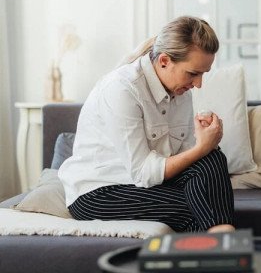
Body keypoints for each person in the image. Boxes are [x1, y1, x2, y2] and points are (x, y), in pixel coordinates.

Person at [58, 16, 235, 233]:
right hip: (98, 191)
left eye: (203, 74)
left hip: (147, 184)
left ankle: (224, 244)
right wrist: (201, 148)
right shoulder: (122, 89)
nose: (198, 84)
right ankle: (225, 249)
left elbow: (187, 159)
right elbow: (143, 172)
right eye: (193, 73)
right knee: (195, 207)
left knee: (213, 158)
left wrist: (205, 140)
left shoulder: (180, 91)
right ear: (164, 61)